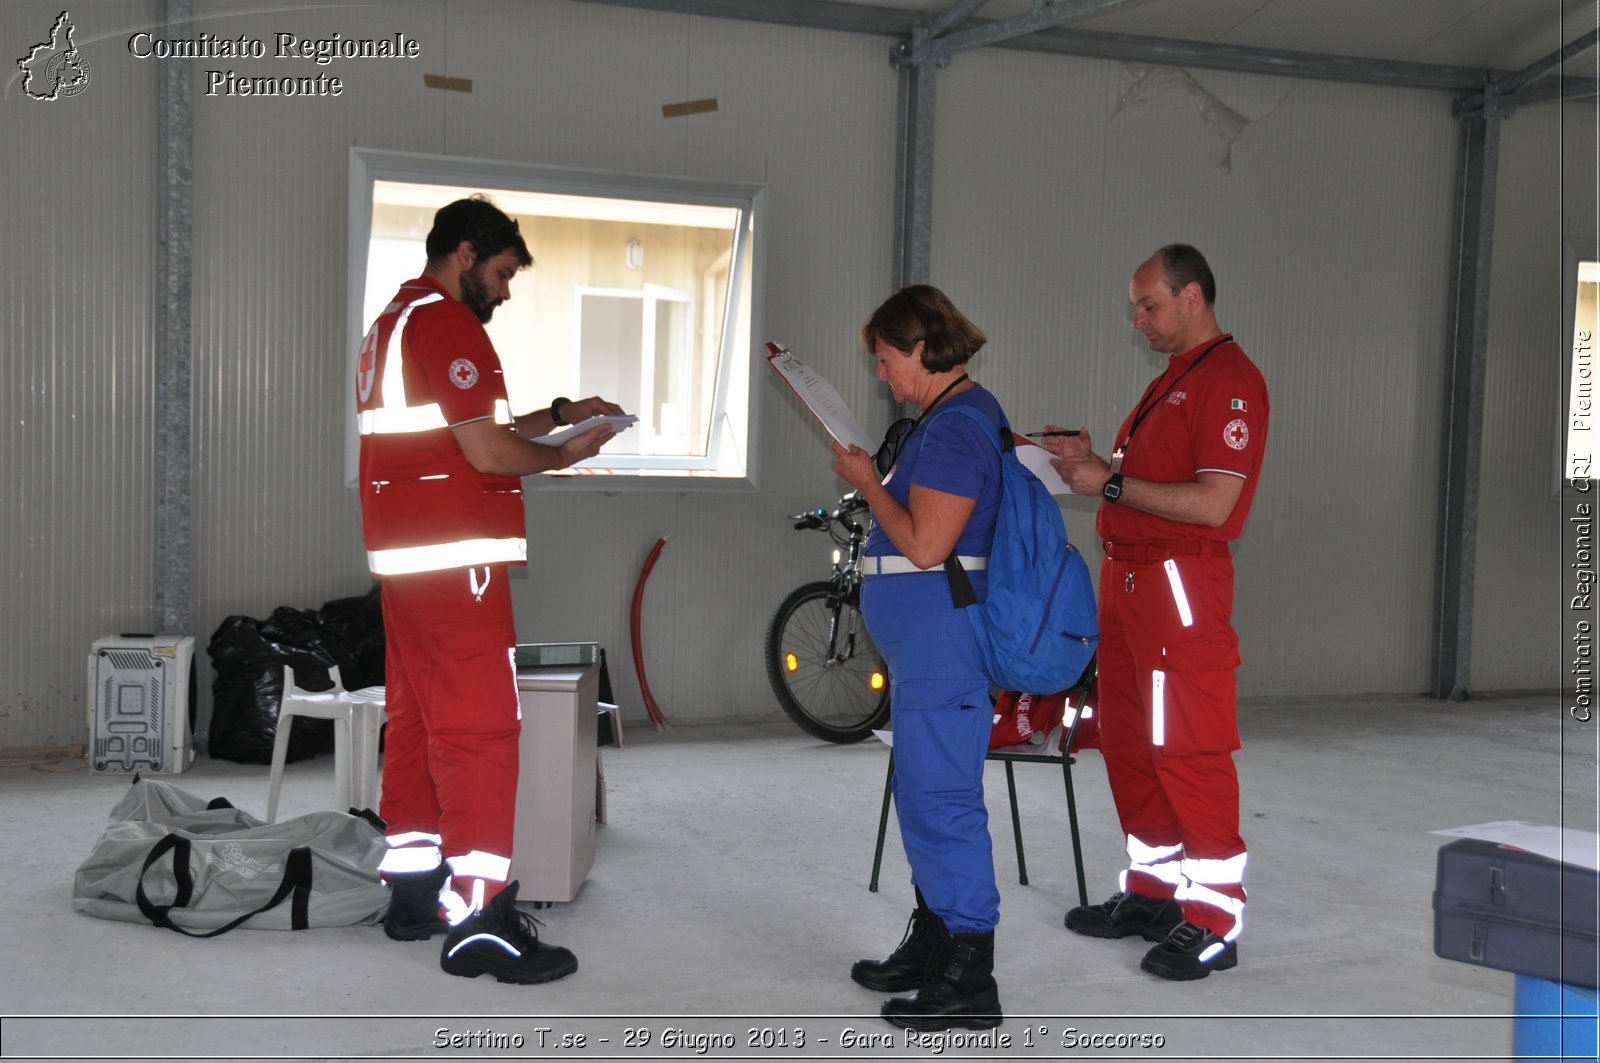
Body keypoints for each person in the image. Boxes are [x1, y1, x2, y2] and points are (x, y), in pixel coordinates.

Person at [355, 195, 624, 984]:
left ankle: (412, 891)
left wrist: (567, 413)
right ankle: (481, 920)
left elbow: (466, 429)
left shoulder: (393, 323)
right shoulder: (445, 323)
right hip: (454, 564)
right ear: (465, 254)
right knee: (479, 729)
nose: (505, 292)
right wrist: (566, 454)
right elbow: (489, 454)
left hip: (406, 564)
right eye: (502, 274)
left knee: (415, 721)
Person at [1044, 244, 1268, 981]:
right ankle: (1154, 889)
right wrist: (1092, 464)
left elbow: (1215, 504)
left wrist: (1107, 484)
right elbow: (1139, 482)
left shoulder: (1229, 382)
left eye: (1149, 305)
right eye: (1136, 307)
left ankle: (1212, 917)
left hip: (1177, 589)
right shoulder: (1172, 380)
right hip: (1129, 586)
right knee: (1131, 743)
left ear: (1192, 296)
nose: (1138, 319)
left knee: (1188, 748)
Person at [830, 285, 1007, 1031]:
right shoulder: (947, 419)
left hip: (944, 644)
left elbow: (929, 544)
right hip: (926, 648)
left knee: (942, 801)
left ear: (918, 349)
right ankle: (937, 935)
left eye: (884, 358)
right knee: (923, 792)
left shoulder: (958, 428)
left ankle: (970, 972)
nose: (881, 374)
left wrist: (870, 483)